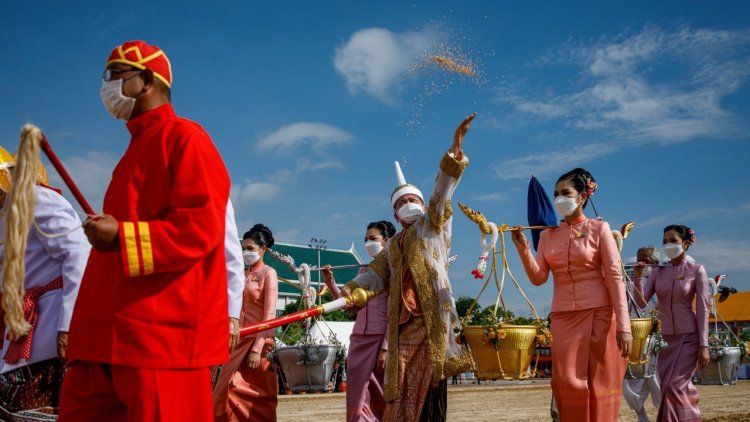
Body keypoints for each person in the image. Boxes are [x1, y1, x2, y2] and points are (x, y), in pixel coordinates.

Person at [59, 40, 231, 421]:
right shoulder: (130, 154)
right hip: (105, 336)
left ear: (147, 80)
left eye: (115, 76)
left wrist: (121, 236)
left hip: (158, 338)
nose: (107, 86)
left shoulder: (186, 137)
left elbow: (200, 228)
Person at [341, 113, 476, 422]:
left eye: (413, 200)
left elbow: (441, 193)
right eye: (401, 204)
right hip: (402, 327)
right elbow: (374, 275)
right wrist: (350, 290)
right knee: (398, 386)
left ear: (424, 205)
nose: (408, 206)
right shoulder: (394, 246)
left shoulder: (433, 227)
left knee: (430, 384)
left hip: (432, 322)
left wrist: (454, 153)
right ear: (395, 214)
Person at [511, 167, 632, 422]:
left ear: (582, 197)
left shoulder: (600, 229)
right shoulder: (547, 236)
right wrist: (523, 249)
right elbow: (538, 278)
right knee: (566, 381)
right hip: (564, 316)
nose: (558, 199)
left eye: (565, 193)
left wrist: (625, 325)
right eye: (555, 194)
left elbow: (614, 277)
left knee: (601, 382)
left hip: (600, 313)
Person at [0, 142, 90, 419]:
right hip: (18, 333)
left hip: (51, 333)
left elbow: (78, 252)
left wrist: (69, 325)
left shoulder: (34, 198)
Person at [322, 220, 396, 422]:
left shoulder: (394, 271)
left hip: (379, 338)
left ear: (387, 241)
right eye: (365, 239)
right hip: (358, 339)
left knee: (377, 393)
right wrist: (331, 282)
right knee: (356, 394)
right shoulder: (363, 271)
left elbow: (395, 311)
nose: (368, 243)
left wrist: (386, 347)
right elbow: (347, 305)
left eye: (373, 239)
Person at [634, 225, 709, 422]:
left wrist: (704, 345)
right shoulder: (659, 272)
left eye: (673, 241)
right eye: (665, 241)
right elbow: (641, 302)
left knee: (676, 386)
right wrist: (639, 276)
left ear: (685, 243)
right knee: (667, 388)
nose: (668, 245)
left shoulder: (696, 270)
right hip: (666, 340)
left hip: (689, 338)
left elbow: (703, 309)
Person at [213, 224, 279, 422]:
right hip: (237, 341)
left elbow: (269, 315)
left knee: (256, 398)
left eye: (250, 249)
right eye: (243, 248)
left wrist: (257, 349)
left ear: (263, 249)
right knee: (222, 393)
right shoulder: (240, 274)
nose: (246, 252)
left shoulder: (269, 273)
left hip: (259, 342)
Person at [623, 246, 662, 422]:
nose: (641, 263)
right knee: (628, 382)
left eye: (645, 260)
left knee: (658, 380)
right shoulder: (630, 285)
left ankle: (662, 414)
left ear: (655, 263)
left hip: (659, 339)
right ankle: (641, 415)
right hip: (637, 340)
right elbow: (631, 308)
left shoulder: (663, 281)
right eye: (639, 259)